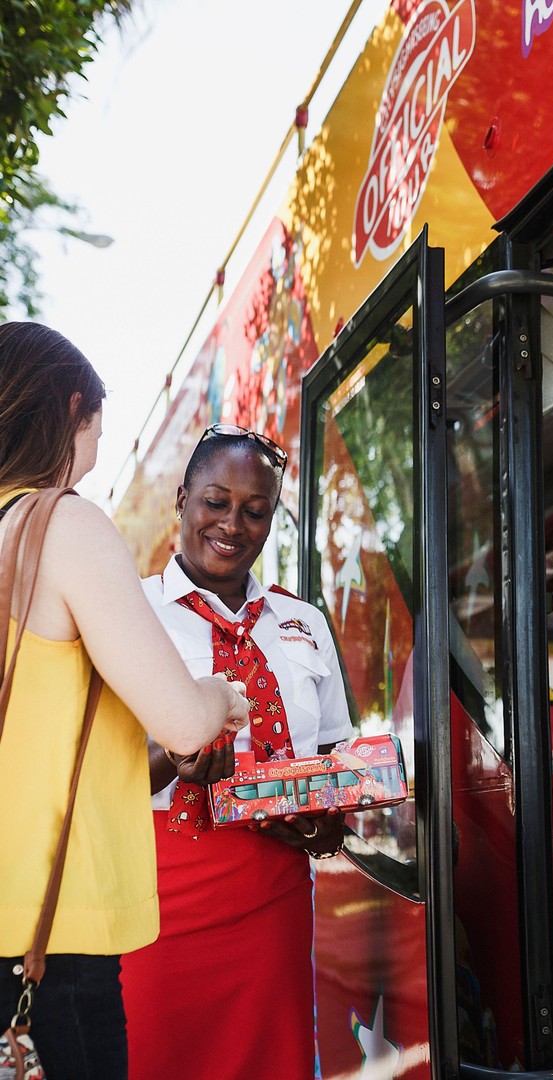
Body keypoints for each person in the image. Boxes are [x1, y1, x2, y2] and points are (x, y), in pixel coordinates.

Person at [0, 322, 250, 1080]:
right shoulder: (60, 523)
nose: (95, 455)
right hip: (49, 933)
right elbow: (181, 719)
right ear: (73, 409)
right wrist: (221, 696)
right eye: (96, 432)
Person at [120, 425, 354, 1080]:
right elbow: (93, 775)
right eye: (216, 502)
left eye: (255, 510)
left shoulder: (305, 623)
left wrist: (326, 827)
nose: (232, 524)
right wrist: (174, 757)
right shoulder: (129, 612)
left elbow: (332, 760)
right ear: (182, 498)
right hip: (156, 900)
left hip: (274, 901)